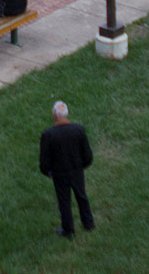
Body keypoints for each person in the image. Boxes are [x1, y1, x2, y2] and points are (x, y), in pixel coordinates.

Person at [40, 101, 96, 239]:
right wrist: (81, 166)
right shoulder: (78, 130)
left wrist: (48, 172)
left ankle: (68, 229)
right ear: (67, 113)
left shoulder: (48, 134)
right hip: (77, 170)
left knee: (64, 201)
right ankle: (88, 223)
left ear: (54, 115)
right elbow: (87, 154)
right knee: (81, 196)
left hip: (59, 174)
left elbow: (44, 160)